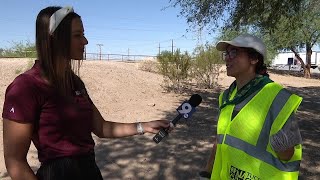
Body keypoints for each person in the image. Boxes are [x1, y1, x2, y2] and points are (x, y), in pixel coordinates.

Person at [2, 6, 171, 180]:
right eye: (77, 35)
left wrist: (144, 126)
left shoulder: (74, 82)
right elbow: (15, 160)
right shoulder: (26, 86)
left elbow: (101, 127)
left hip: (89, 170)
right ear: (54, 39)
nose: (85, 41)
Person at [198, 34, 303, 179]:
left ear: (254, 59)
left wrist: (274, 131)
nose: (228, 58)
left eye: (234, 52)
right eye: (226, 53)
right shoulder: (227, 96)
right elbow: (221, 139)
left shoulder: (277, 98)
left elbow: (286, 154)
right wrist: (207, 171)